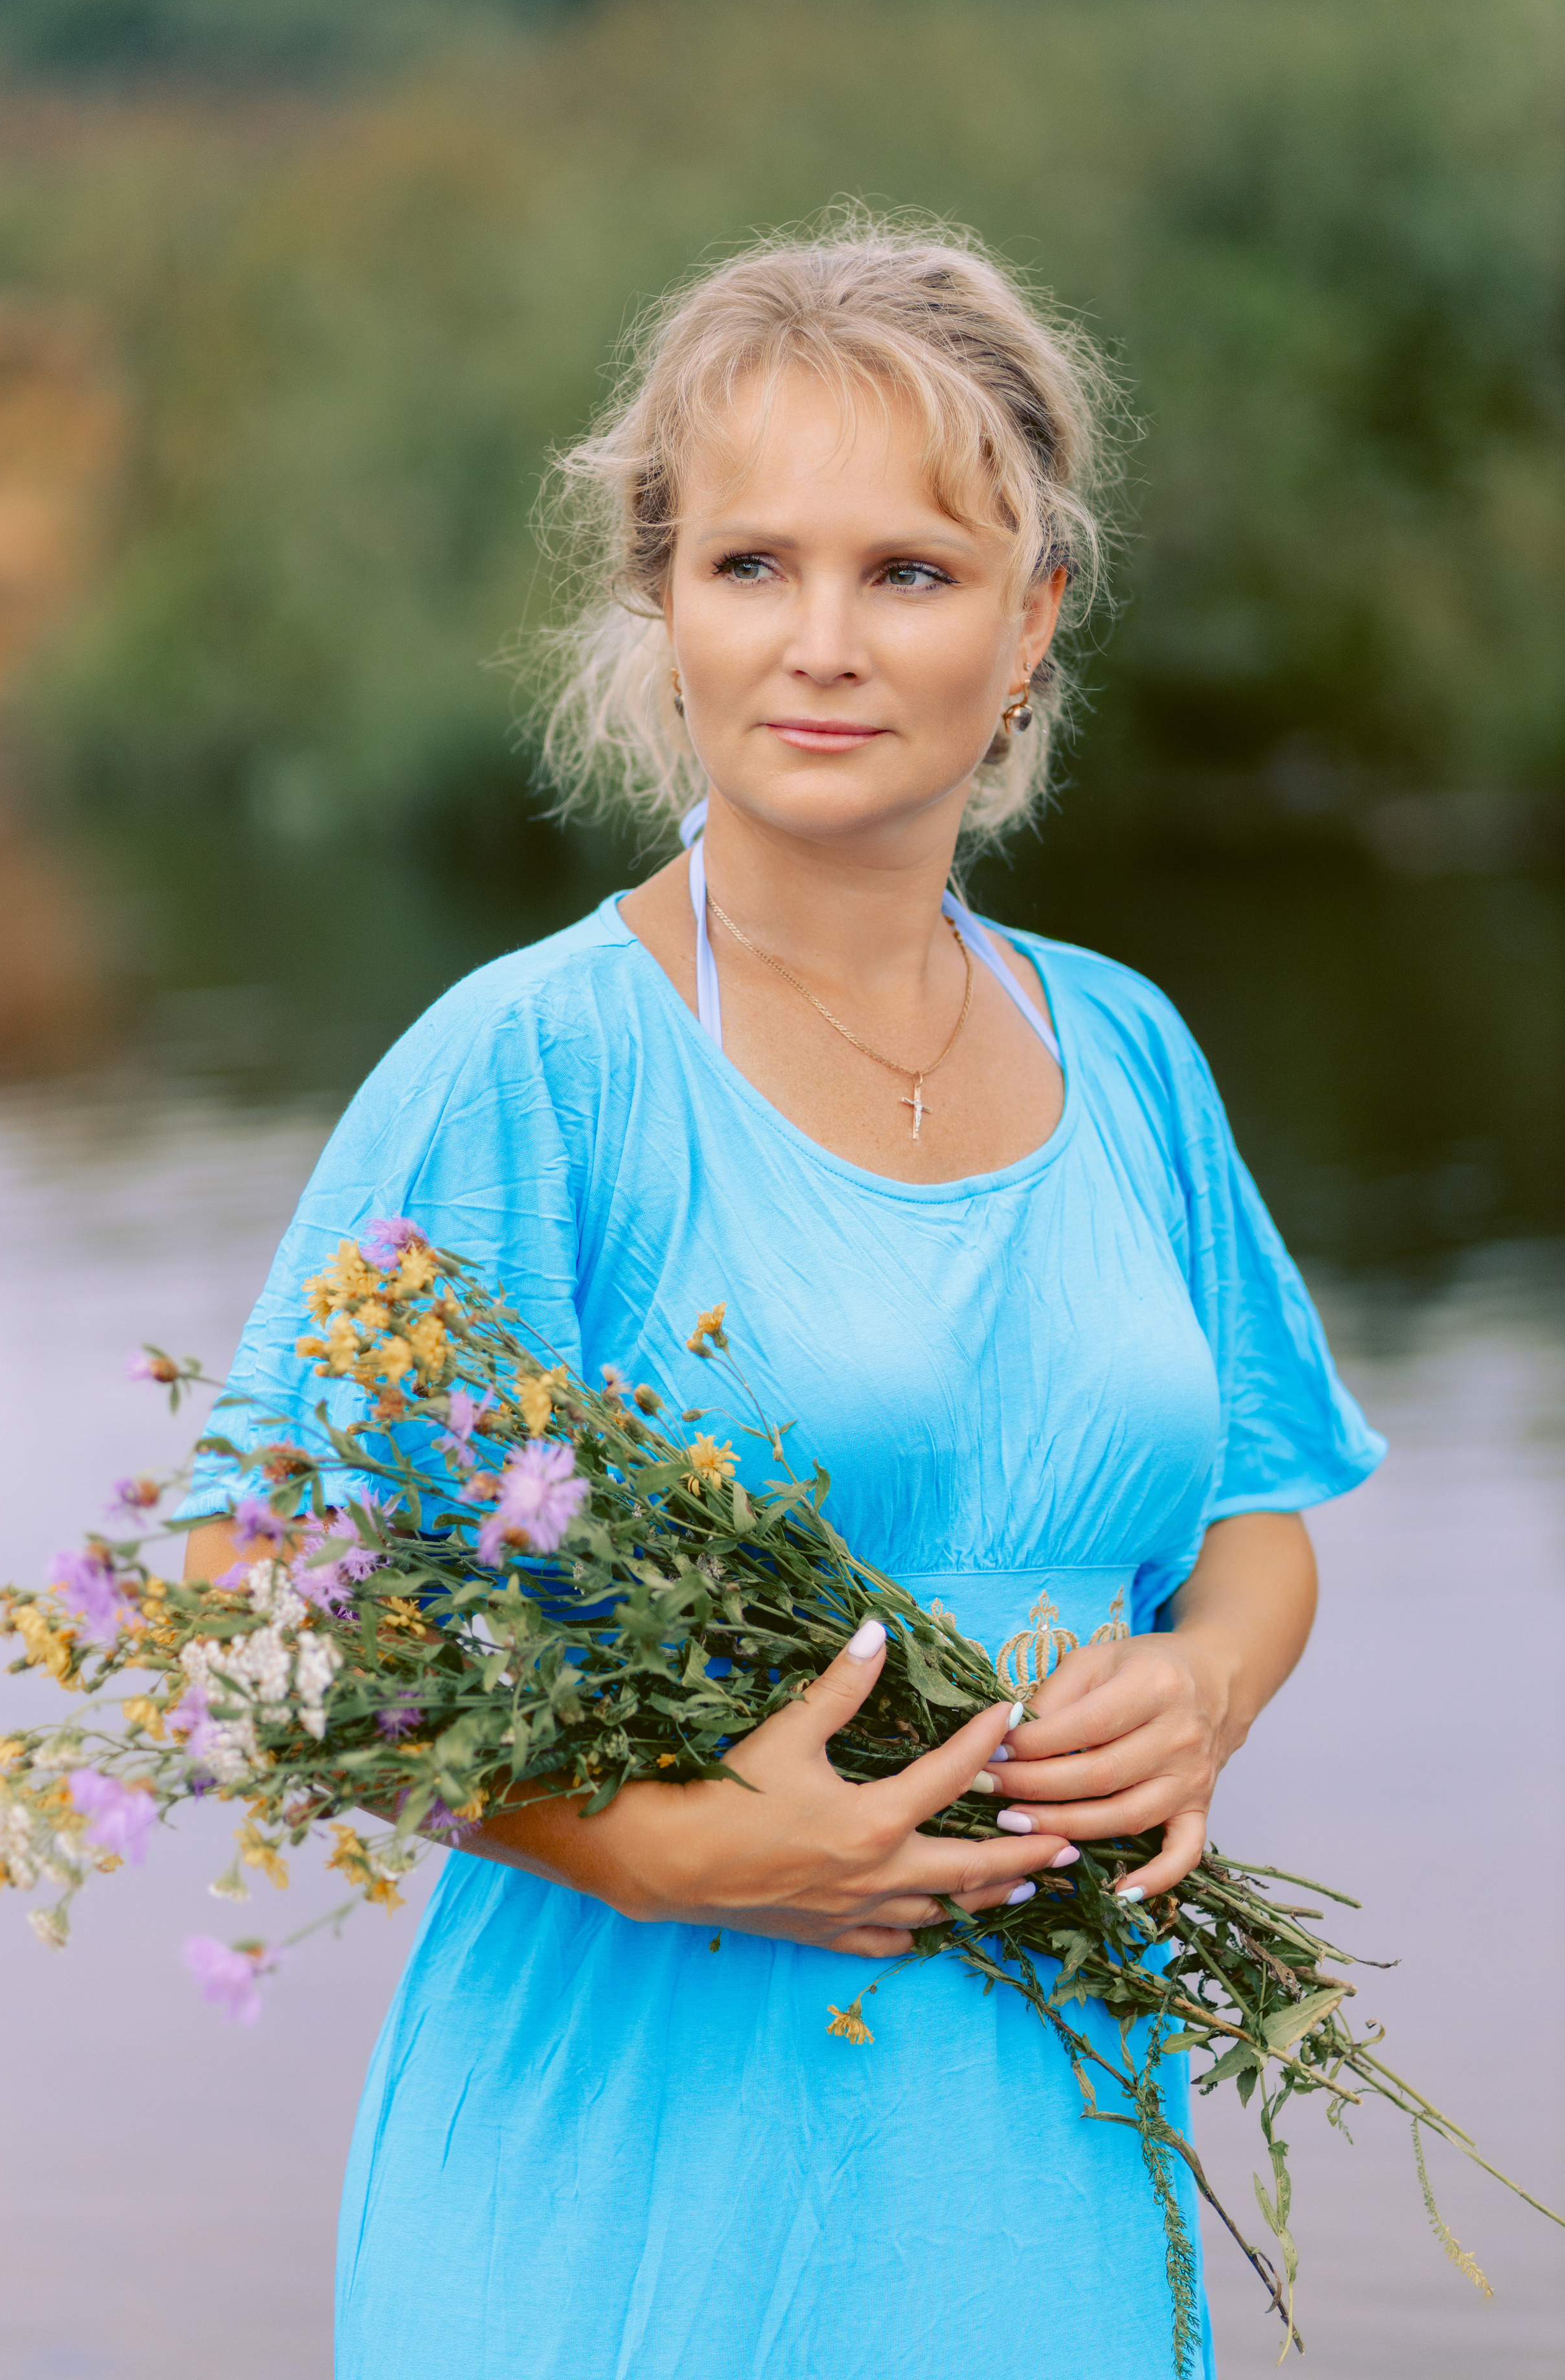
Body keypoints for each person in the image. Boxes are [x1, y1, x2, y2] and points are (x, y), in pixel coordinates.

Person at [183, 220, 1383, 2380]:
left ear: (1032, 625)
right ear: (660, 602)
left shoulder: (1126, 1048)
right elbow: (268, 1621)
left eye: (909, 574)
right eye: (751, 565)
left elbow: (1261, 1513)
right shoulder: (535, 1066)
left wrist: (1208, 1688)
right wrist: (675, 1854)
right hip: (637, 2198)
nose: (821, 643)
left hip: (1044, 2169)